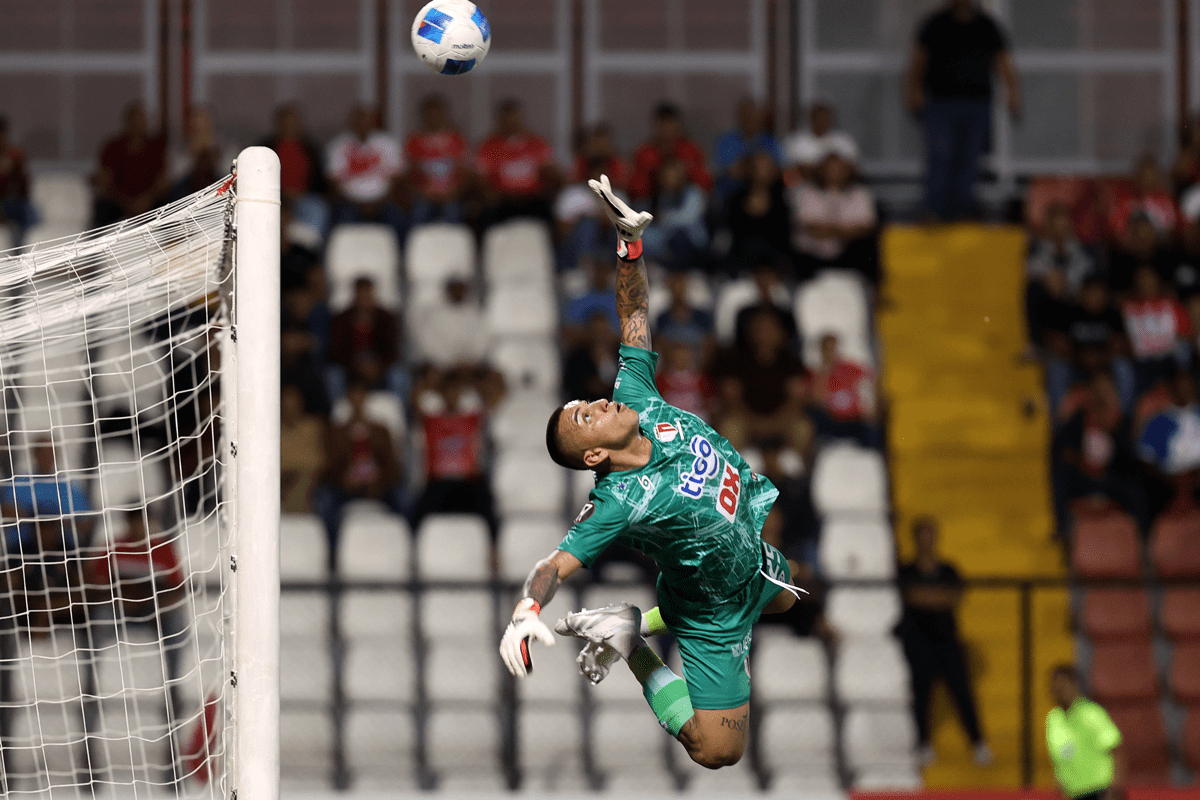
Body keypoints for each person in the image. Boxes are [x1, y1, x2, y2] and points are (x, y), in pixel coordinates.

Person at [499, 175, 805, 770]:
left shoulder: (635, 395)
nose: (596, 403)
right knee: (718, 750)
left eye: (584, 402)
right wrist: (525, 610)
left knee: (789, 598)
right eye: (584, 417)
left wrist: (628, 243)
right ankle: (629, 643)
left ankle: (635, 621)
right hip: (712, 608)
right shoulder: (618, 499)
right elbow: (553, 565)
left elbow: (634, 311)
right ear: (592, 456)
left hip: (750, 560)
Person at [904, 0, 1020, 221]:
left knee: (970, 158)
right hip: (940, 104)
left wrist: (1013, 90)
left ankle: (962, 210)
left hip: (977, 105)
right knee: (940, 156)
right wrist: (912, 90)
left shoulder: (987, 25)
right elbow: (919, 60)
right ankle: (934, 210)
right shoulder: (935, 24)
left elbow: (1002, 60)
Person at [896, 516, 993, 767]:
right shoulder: (906, 571)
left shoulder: (949, 569)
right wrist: (937, 597)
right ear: (916, 539)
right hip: (918, 644)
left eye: (931, 534)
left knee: (962, 692)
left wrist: (925, 597)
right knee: (921, 694)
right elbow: (911, 596)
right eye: (923, 535)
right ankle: (923, 744)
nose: (927, 540)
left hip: (947, 643)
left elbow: (953, 597)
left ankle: (978, 743)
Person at [791, 151, 878, 282]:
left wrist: (831, 230)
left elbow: (866, 229)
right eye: (829, 168)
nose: (834, 172)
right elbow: (814, 230)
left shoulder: (861, 194)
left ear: (848, 171)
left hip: (849, 255)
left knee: (866, 249)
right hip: (812, 257)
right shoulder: (805, 193)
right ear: (820, 170)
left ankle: (870, 294)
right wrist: (846, 231)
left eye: (838, 169)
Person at [1046, 664, 1124, 800]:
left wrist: (1114, 789)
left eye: (1064, 685)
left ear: (1074, 685)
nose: (1060, 690)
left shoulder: (1091, 713)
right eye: (1056, 687)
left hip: (1099, 791)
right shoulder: (1053, 719)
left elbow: (1117, 751)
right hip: (1072, 793)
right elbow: (1059, 757)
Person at [476, 98, 559, 225]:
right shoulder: (488, 146)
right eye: (507, 118)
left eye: (514, 117)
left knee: (551, 212)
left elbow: (552, 172)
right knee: (484, 212)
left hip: (532, 198)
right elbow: (481, 178)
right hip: (501, 199)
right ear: (500, 120)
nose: (511, 122)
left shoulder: (537, 143)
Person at [325, 104, 406, 235]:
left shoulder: (388, 143)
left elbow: (398, 179)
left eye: (366, 119)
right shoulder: (338, 145)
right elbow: (333, 182)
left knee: (398, 220)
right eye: (358, 119)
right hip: (349, 202)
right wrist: (357, 204)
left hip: (384, 201)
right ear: (351, 122)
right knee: (339, 224)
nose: (362, 123)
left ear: (374, 121)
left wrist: (379, 202)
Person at [92, 101, 168, 227]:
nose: (137, 125)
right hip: (118, 202)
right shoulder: (112, 148)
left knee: (169, 204)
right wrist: (127, 203)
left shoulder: (156, 148)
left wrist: (146, 200)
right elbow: (105, 181)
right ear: (126, 122)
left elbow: (163, 181)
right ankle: (99, 244)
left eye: (140, 121)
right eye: (133, 121)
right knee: (102, 207)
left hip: (150, 202)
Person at [404, 94, 471, 224]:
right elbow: (408, 172)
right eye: (429, 114)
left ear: (444, 115)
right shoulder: (414, 140)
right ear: (423, 116)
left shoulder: (457, 140)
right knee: (418, 215)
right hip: (423, 196)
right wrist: (421, 192)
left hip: (451, 197)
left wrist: (455, 193)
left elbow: (466, 171)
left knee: (454, 214)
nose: (433, 118)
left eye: (437, 114)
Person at [629, 103, 713, 202]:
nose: (667, 128)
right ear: (656, 125)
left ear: (678, 124)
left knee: (695, 196)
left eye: (670, 123)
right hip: (652, 201)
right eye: (663, 124)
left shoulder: (691, 149)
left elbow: (706, 183)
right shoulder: (645, 152)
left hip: (685, 199)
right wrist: (656, 176)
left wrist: (686, 173)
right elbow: (634, 189)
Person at [713, 98, 784, 199]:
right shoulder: (726, 141)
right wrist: (754, 168)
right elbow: (728, 170)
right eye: (745, 114)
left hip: (766, 191)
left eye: (752, 114)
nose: (749, 118)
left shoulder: (770, 141)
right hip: (735, 190)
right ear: (738, 117)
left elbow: (780, 168)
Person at [783, 102, 860, 181]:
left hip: (842, 189)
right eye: (818, 117)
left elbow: (854, 168)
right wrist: (824, 167)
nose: (821, 120)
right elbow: (790, 172)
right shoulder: (796, 141)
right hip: (804, 187)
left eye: (824, 117)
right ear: (811, 118)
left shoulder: (844, 140)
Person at [0, 116, 36, 244]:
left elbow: (24, 184)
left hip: (16, 202)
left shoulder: (15, 154)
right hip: (5, 203)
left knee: (32, 215)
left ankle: (21, 253)